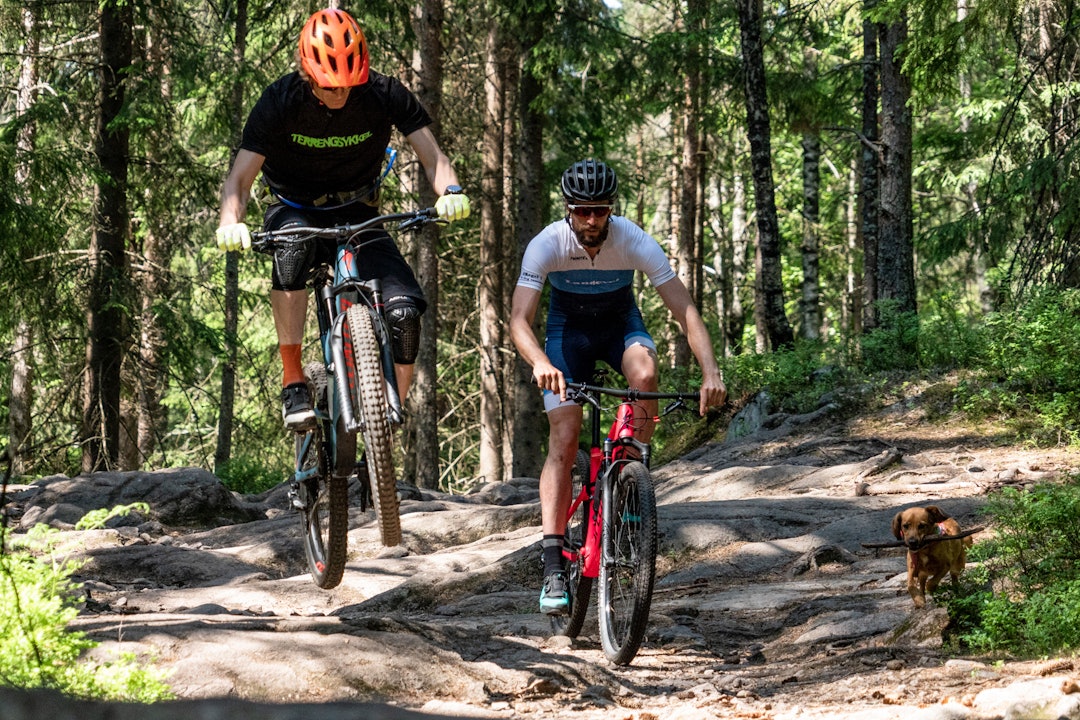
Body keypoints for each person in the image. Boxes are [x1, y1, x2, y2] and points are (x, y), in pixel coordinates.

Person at [215, 7, 470, 429]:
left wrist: (452, 192)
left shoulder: (384, 93)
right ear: (307, 73)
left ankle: (387, 423)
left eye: (349, 84)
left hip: (358, 212)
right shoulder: (280, 101)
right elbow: (239, 181)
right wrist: (230, 220)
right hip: (295, 209)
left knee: (405, 315)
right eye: (330, 86)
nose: (340, 94)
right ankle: (293, 379)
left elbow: (434, 157)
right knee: (292, 249)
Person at [509, 158, 726, 615]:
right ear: (569, 209)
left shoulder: (633, 239)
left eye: (601, 210)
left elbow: (685, 310)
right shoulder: (547, 243)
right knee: (565, 437)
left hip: (619, 326)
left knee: (644, 376)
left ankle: (628, 481)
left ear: (612, 209)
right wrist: (541, 362)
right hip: (567, 335)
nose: (591, 220)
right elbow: (518, 320)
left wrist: (711, 371)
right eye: (582, 211)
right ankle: (553, 565)